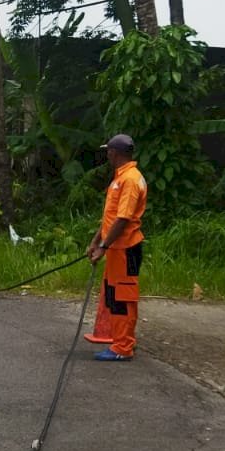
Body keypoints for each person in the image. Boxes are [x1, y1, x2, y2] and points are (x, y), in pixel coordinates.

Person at [86, 134, 148, 363]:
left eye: (108, 151)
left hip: (125, 248)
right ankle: (120, 340)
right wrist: (96, 241)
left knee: (123, 298)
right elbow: (110, 218)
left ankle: (123, 347)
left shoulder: (130, 180)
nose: (107, 154)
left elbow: (123, 219)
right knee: (114, 296)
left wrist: (103, 246)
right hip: (116, 248)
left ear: (114, 152)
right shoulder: (120, 178)